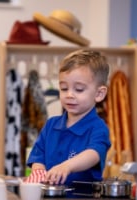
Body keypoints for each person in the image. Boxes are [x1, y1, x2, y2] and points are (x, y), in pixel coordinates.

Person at [26, 49, 111, 187]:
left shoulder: (98, 128)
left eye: (79, 89)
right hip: (48, 198)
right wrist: (39, 171)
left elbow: (94, 154)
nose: (69, 95)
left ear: (99, 93)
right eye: (64, 88)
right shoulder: (51, 125)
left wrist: (67, 166)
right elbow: (38, 155)